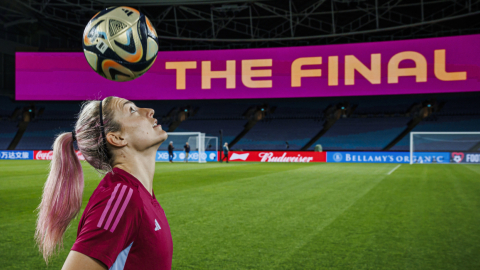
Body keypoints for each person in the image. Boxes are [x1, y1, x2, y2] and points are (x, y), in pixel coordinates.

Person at [35, 97, 173, 270]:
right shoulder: (122, 198)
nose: (150, 110)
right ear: (117, 138)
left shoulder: (138, 194)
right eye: (131, 110)